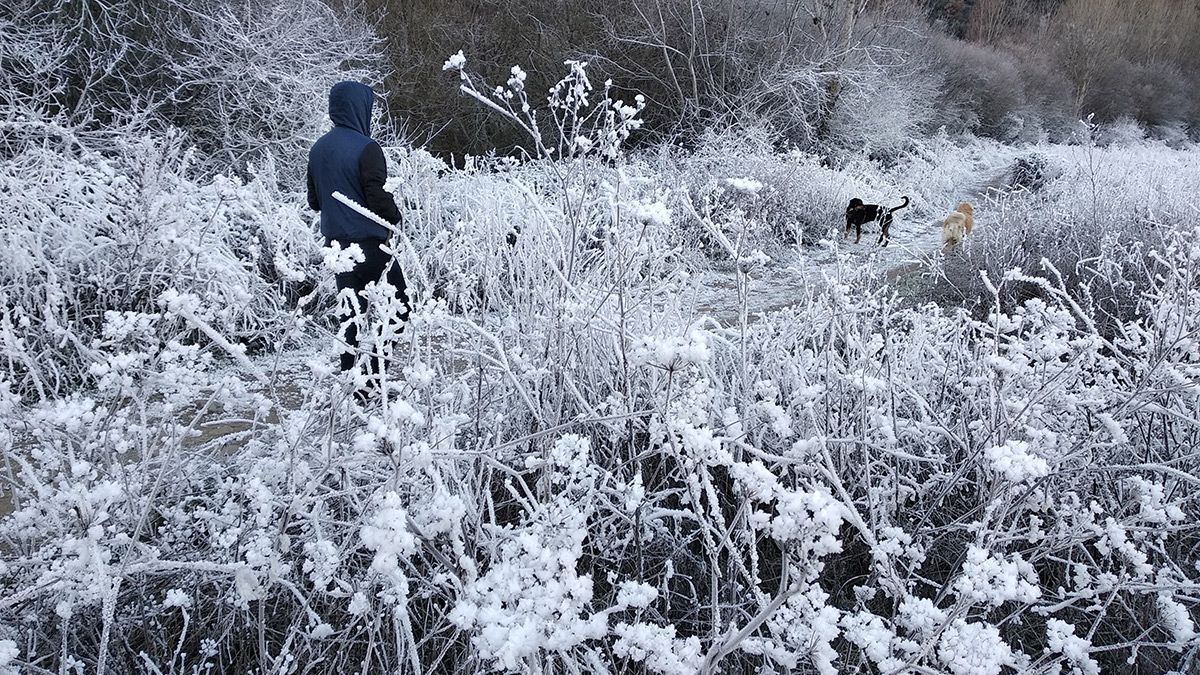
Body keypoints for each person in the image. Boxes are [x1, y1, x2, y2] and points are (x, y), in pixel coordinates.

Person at [306, 81, 409, 393]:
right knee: (398, 305)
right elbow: (377, 198)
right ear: (360, 108)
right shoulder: (367, 147)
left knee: (350, 317)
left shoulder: (318, 148)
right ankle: (374, 377)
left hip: (337, 249)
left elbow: (314, 202)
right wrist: (396, 217)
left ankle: (352, 382)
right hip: (371, 245)